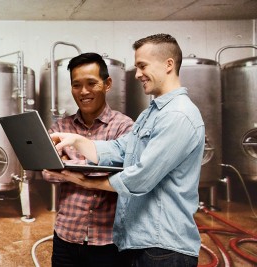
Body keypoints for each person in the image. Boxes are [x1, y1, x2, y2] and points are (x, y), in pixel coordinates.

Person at [44, 34, 205, 267]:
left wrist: (87, 182)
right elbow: (120, 148)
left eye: (142, 66)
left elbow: (141, 177)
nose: (137, 74)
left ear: (169, 64)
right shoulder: (153, 113)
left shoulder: (177, 116)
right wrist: (76, 140)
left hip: (164, 246)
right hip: (141, 241)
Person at [42, 52, 133, 267]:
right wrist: (100, 167)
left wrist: (69, 168)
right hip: (66, 234)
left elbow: (127, 174)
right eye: (76, 85)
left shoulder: (124, 126)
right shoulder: (61, 127)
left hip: (108, 240)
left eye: (91, 83)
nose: (83, 92)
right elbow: (47, 172)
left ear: (107, 83)